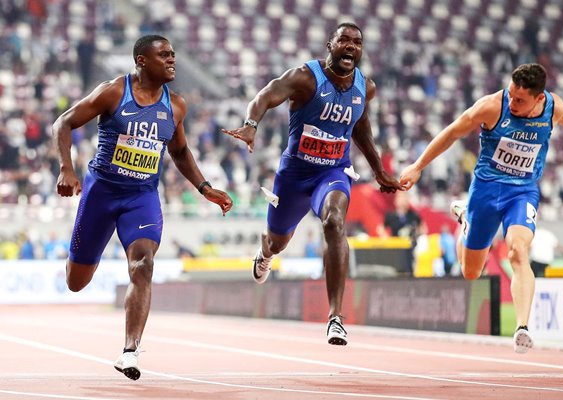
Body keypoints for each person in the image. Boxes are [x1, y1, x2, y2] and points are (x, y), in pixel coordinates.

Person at [53, 34, 233, 380]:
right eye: (163, 55)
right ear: (141, 60)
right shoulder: (113, 92)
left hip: (142, 197)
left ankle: (130, 350)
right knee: (77, 282)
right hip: (101, 193)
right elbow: (63, 122)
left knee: (144, 264)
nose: (171, 60)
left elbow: (179, 152)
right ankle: (79, 253)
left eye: (173, 54)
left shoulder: (176, 105)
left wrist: (205, 187)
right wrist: (66, 168)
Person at [222, 22, 401, 345]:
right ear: (330, 45)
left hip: (333, 172)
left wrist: (377, 169)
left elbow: (360, 128)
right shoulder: (305, 78)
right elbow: (265, 95)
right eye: (343, 40)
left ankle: (335, 317)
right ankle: (265, 253)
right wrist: (250, 125)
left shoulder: (366, 88)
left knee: (334, 222)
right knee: (278, 241)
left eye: (357, 42)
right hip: (294, 176)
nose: (350, 46)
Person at [398, 63, 563, 353]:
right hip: (485, 193)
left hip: (522, 193)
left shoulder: (553, 107)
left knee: (518, 250)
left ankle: (523, 327)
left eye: (520, 100)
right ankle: (465, 219)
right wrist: (418, 166)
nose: (512, 103)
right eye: (511, 94)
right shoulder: (491, 107)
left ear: (539, 98)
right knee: (471, 272)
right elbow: (452, 133)